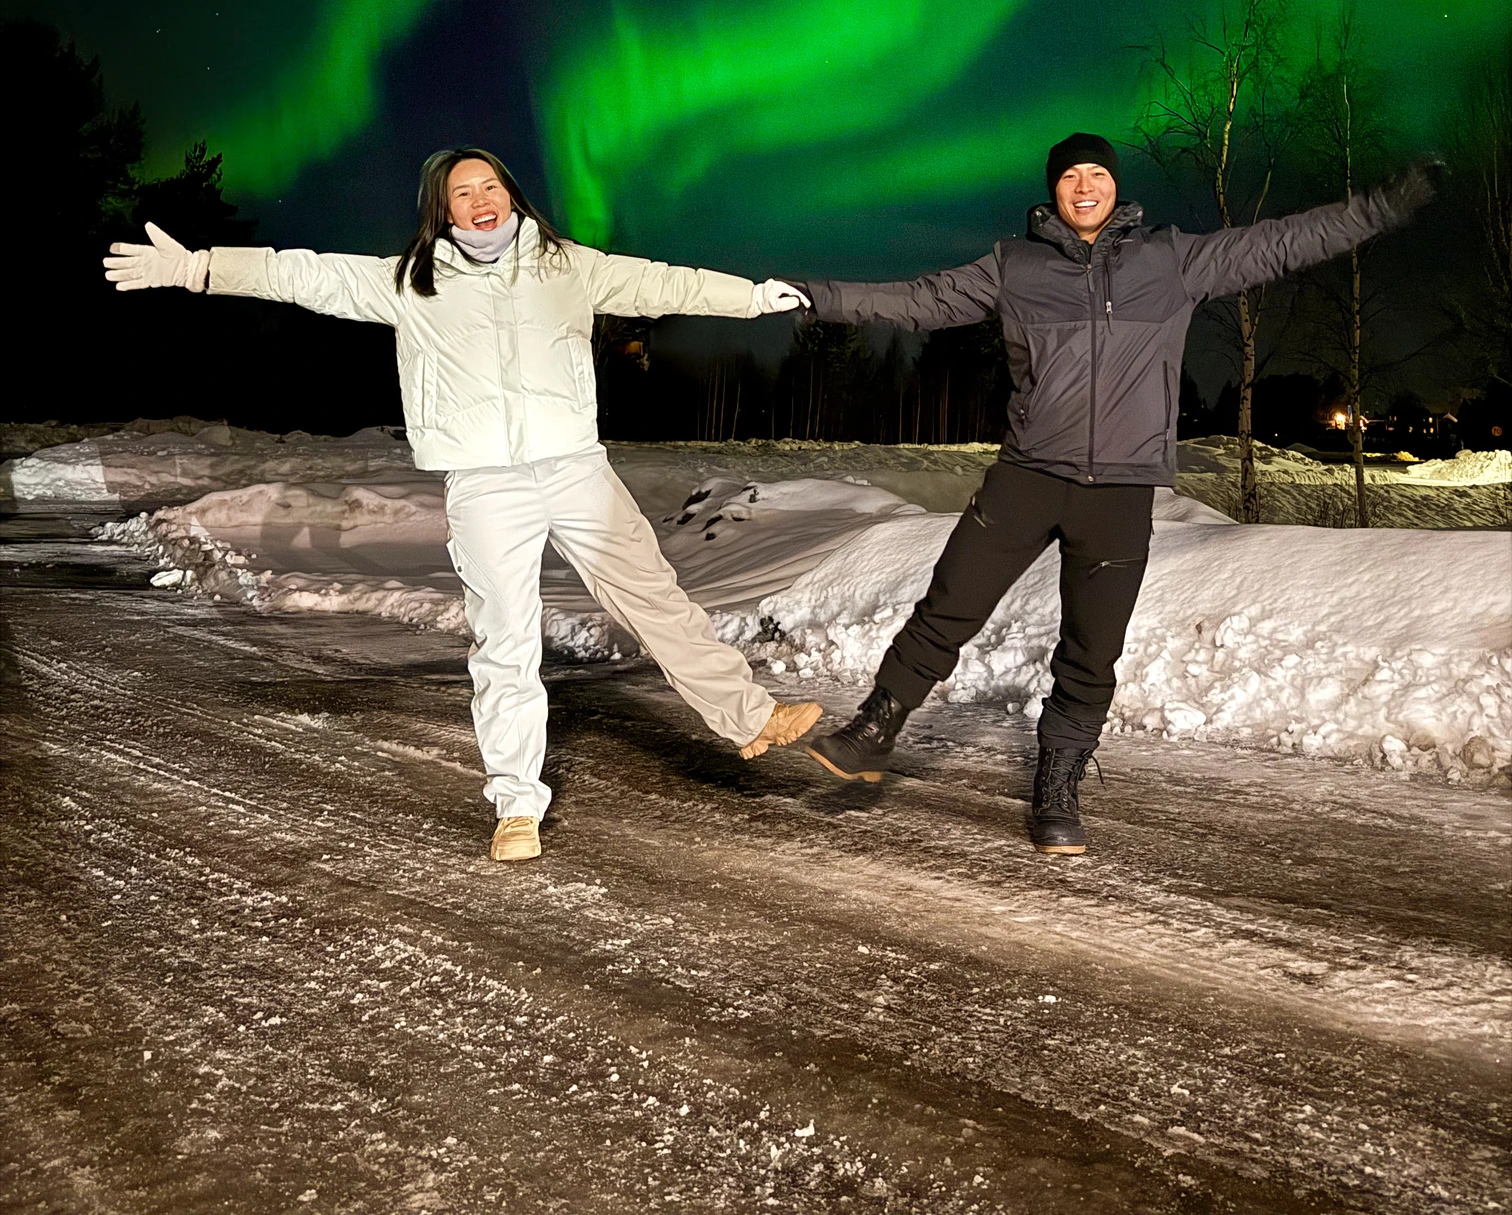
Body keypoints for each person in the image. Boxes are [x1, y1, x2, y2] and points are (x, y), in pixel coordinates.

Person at [104, 146, 821, 863]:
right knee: (505, 641)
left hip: (574, 468)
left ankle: (751, 718)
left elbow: (667, 285)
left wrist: (754, 297)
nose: (481, 201)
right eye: (462, 193)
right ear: (442, 211)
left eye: (490, 186)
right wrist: (199, 268)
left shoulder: (568, 266)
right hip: (485, 484)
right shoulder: (411, 282)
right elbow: (304, 272)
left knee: (653, 597)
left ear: (511, 193)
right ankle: (515, 806)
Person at [795, 131, 1437, 854]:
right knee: (950, 604)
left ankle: (1057, 784)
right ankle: (876, 727)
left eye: (1096, 172)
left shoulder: (1171, 260)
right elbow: (918, 300)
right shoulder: (1015, 266)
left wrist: (1378, 209)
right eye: (1070, 176)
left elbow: (1280, 242)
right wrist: (818, 297)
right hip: (1029, 475)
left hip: (1121, 493)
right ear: (1053, 191)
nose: (1084, 185)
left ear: (1116, 186)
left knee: (1092, 649)